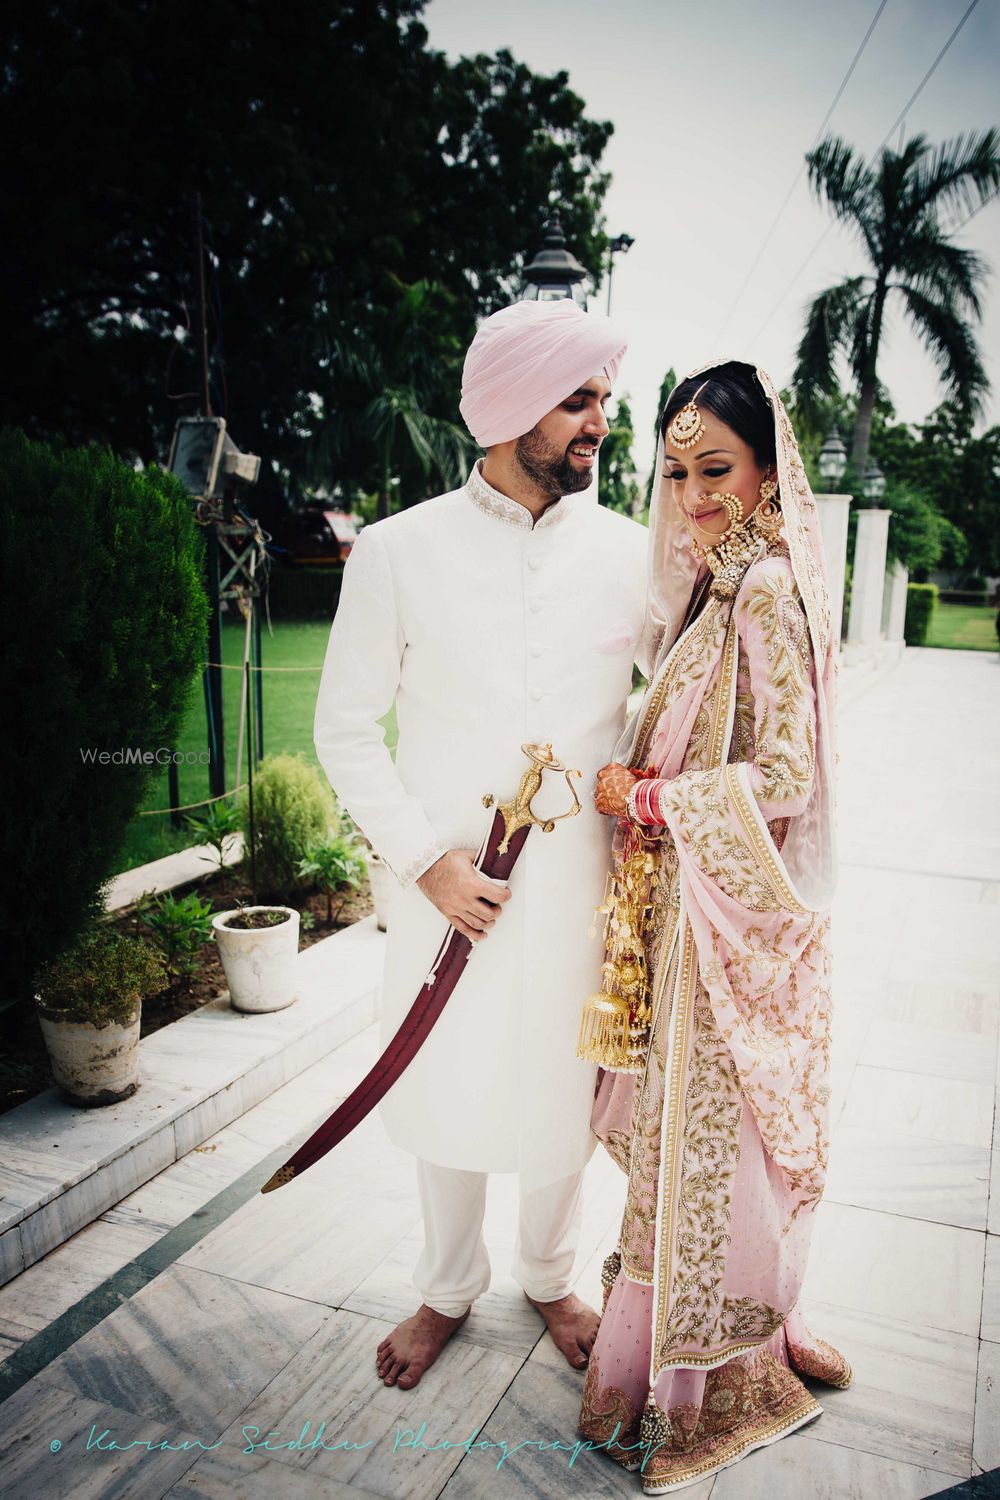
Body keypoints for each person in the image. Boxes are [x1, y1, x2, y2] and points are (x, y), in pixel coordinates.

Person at [313, 297, 655, 1391]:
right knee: (443, 1074)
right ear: (511, 409)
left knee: (565, 1087)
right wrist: (426, 862)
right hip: (442, 885)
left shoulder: (635, 557)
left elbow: (682, 703)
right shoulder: (397, 549)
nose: (600, 420)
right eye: (578, 398)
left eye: (604, 398)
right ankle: (447, 1287)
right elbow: (343, 726)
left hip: (580, 894)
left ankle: (550, 1274)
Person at [577, 360, 852, 1493]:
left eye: (716, 469)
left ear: (765, 469)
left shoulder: (767, 589)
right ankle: (708, 1344)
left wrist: (644, 800)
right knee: (696, 1149)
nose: (693, 495)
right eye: (678, 472)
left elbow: (785, 770)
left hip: (722, 919)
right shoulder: (710, 586)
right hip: (684, 909)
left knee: (719, 1148)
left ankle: (723, 1362)